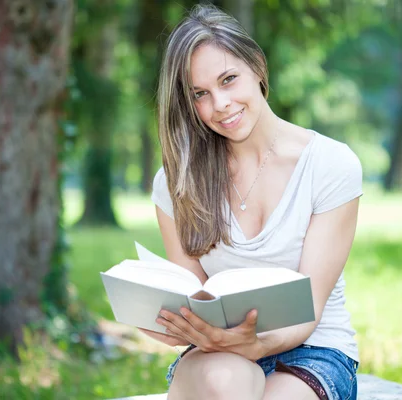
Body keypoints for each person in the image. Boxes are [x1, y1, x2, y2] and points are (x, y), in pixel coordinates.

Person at [141, 5, 362, 400]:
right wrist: (172, 324)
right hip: (217, 353)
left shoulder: (329, 164)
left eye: (229, 80)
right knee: (224, 384)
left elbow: (308, 309)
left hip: (313, 350)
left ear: (257, 67)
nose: (221, 104)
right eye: (200, 94)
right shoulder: (177, 181)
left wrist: (257, 345)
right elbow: (194, 295)